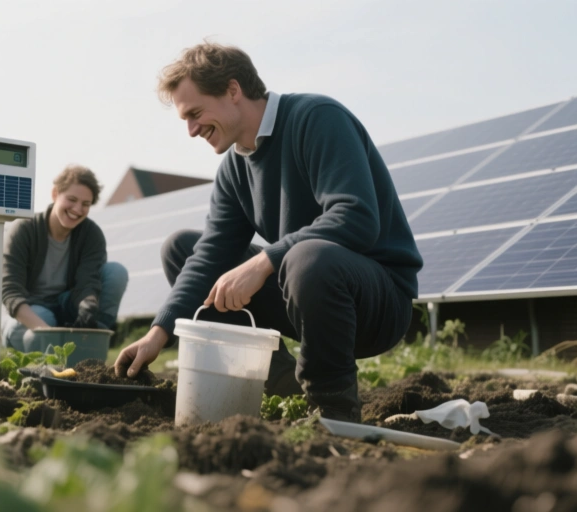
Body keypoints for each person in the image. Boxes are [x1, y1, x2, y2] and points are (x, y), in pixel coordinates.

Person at [114, 42, 423, 423]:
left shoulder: (317, 118)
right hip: (303, 290)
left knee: (306, 256)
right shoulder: (235, 168)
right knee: (181, 248)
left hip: (374, 301)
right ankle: (278, 381)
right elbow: (211, 253)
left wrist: (264, 261)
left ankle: (332, 408)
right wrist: (159, 333)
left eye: (195, 114)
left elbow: (355, 216)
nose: (192, 130)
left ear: (232, 90)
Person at [1, 164, 128, 352]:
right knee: (30, 330)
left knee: (116, 272)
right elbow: (10, 292)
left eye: (86, 204)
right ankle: (47, 347)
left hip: (67, 305)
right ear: (55, 194)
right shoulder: (24, 230)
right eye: (72, 199)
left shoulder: (91, 235)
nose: (77, 209)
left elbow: (88, 281)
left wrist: (88, 305)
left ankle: (92, 341)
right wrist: (48, 336)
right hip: (34, 310)